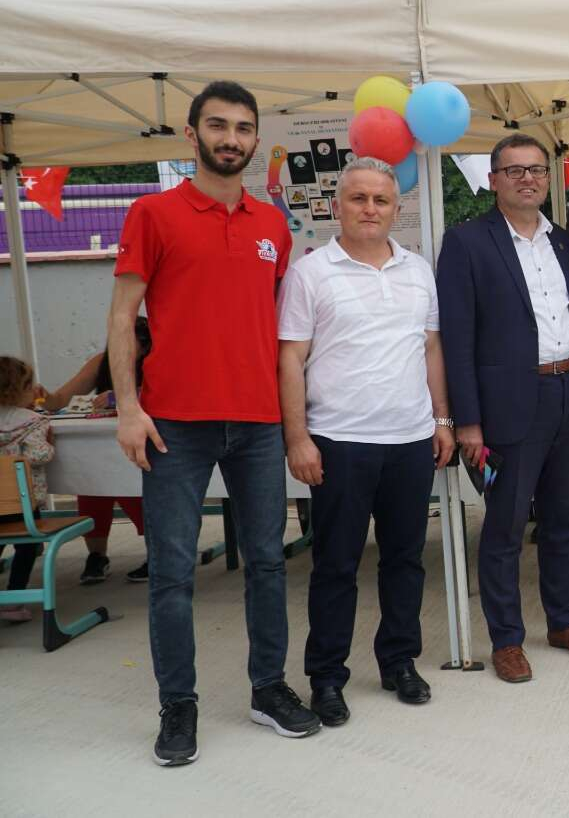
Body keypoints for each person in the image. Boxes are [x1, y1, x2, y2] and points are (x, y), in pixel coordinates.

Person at [109, 81, 320, 767]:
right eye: (218, 125)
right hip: (174, 423)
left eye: (243, 128)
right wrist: (129, 408)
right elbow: (122, 318)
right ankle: (178, 705)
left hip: (257, 421)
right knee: (172, 574)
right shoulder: (153, 213)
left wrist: (294, 421)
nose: (231, 139)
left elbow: (281, 328)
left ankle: (268, 688)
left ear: (256, 139)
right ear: (192, 133)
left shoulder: (272, 225)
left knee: (268, 563)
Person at [278, 157, 454, 723]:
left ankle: (399, 661)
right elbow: (291, 358)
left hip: (409, 440)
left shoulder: (418, 271)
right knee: (335, 566)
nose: (370, 209)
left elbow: (430, 348)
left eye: (381, 200)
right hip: (339, 442)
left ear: (397, 209)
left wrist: (442, 420)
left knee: (405, 561)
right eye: (358, 198)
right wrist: (297, 437)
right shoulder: (310, 273)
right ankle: (327, 677)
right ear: (338, 206)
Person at [437, 133, 569, 683]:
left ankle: (563, 621)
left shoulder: (564, 243)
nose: (527, 179)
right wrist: (467, 422)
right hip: (505, 410)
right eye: (514, 171)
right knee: (505, 526)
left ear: (548, 178)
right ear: (493, 180)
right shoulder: (466, 242)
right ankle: (506, 638)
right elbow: (457, 338)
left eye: (536, 169)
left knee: (564, 520)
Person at [41, 318, 153, 584]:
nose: (118, 346)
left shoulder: (157, 361)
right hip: (105, 439)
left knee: (132, 489)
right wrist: (42, 396)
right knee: (90, 485)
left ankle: (157, 552)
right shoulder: (101, 361)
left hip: (143, 441)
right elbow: (61, 399)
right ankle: (97, 556)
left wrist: (122, 396)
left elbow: (167, 393)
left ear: (145, 344)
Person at [0, 356, 50, 623]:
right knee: (28, 546)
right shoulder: (32, 421)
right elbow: (39, 455)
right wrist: (50, 445)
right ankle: (13, 600)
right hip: (24, 506)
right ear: (20, 389)